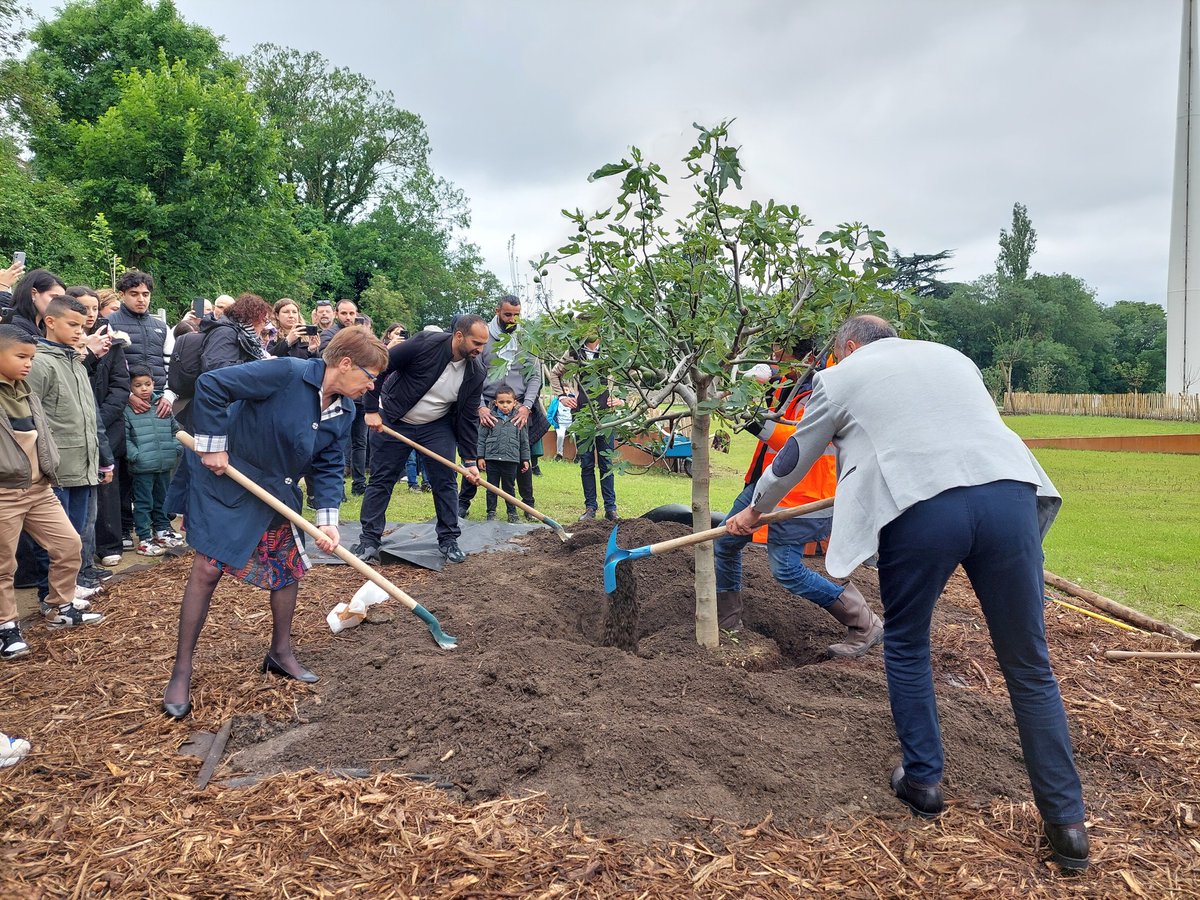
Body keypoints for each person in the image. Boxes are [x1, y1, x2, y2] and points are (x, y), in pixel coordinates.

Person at [725, 315, 1088, 872]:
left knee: (909, 644)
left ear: (848, 348)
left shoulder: (841, 376)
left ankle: (923, 782)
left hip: (923, 507)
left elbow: (796, 453)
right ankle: (1068, 827)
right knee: (1029, 664)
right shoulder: (953, 358)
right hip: (1009, 495)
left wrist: (756, 509)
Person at [160, 327, 387, 719]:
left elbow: (329, 464)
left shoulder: (344, 409)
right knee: (208, 568)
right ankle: (181, 670)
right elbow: (212, 384)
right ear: (345, 364)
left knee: (288, 567)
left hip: (276, 488)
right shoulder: (286, 372)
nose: (371, 388)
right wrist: (213, 445)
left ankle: (280, 653)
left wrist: (328, 520)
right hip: (226, 478)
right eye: (370, 377)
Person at [713, 339, 882, 657]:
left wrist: (752, 417)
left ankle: (864, 622)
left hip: (802, 494)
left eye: (779, 352)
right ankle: (727, 625)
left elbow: (795, 443)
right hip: (766, 484)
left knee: (787, 570)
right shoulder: (788, 384)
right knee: (725, 544)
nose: (773, 358)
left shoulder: (820, 390)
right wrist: (744, 389)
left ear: (803, 357)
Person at [1, 325, 103, 661]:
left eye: (31, 357)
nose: (29, 363)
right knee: (4, 564)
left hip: (40, 488)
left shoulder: (26, 391)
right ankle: (6, 627)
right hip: (5, 493)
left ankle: (60, 606)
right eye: (21, 357)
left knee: (68, 544)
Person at [355, 316, 487, 565]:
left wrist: (469, 459)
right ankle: (369, 540)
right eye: (476, 342)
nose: (480, 349)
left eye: (483, 344)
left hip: (436, 426)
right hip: (394, 418)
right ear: (459, 336)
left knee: (445, 480)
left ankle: (449, 540)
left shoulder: (476, 371)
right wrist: (371, 409)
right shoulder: (425, 343)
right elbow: (382, 366)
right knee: (382, 479)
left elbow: (468, 417)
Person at [23, 297, 113, 619]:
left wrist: (101, 456)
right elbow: (30, 416)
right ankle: (53, 599)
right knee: (56, 540)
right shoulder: (40, 363)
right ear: (50, 322)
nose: (80, 330)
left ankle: (68, 590)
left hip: (82, 462)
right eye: (72, 325)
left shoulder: (74, 360)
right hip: (57, 467)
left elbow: (87, 415)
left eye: (82, 324)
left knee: (75, 536)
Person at [458, 295, 546, 521]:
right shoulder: (484, 336)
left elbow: (535, 376)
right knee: (475, 454)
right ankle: (463, 503)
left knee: (521, 458)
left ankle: (527, 507)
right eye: (508, 314)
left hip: (520, 406)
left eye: (517, 315)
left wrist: (526, 407)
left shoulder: (527, 338)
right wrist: (480, 407)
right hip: (488, 405)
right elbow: (472, 373)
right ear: (497, 311)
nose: (512, 319)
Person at [106, 270, 171, 549]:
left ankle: (160, 525)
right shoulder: (110, 323)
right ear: (122, 294)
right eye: (134, 294)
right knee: (125, 467)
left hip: (157, 405)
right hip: (124, 406)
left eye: (145, 294)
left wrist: (167, 395)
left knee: (154, 465)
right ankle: (125, 528)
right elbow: (109, 369)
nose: (141, 299)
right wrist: (126, 396)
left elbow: (169, 365)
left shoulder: (161, 326)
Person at [69, 285, 128, 579]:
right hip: (78, 427)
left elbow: (120, 385)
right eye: (83, 308)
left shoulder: (112, 341)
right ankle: (81, 561)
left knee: (108, 484)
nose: (90, 314)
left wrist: (99, 419)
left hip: (107, 423)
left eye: (94, 308)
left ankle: (109, 545)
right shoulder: (70, 344)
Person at [550, 331, 625, 520]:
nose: (587, 331)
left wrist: (621, 398)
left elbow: (630, 373)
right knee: (586, 463)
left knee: (607, 463)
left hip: (607, 418)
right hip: (582, 418)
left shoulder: (611, 351)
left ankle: (611, 509)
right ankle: (590, 507)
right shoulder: (573, 353)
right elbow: (554, 374)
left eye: (591, 326)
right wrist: (562, 396)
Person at [124, 367, 183, 556]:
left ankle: (162, 530)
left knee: (163, 499)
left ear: (154, 384)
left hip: (165, 462)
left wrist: (176, 448)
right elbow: (124, 437)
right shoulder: (128, 410)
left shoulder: (162, 405)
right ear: (130, 388)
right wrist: (135, 455)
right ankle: (144, 537)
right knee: (143, 502)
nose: (144, 389)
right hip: (142, 466)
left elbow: (175, 430)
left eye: (147, 384)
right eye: (138, 385)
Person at [320, 299, 369, 494]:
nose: (348, 317)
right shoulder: (329, 334)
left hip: (361, 397)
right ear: (336, 314)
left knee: (360, 442)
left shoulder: (362, 335)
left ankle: (359, 484)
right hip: (339, 396)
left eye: (352, 314)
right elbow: (327, 358)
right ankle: (337, 486)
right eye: (344, 313)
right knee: (339, 442)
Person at [477, 386, 530, 523]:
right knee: (491, 487)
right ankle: (491, 513)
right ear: (495, 403)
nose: (505, 405)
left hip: (511, 459)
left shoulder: (519, 419)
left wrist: (525, 459)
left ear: (515, 403)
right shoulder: (489, 418)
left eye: (508, 402)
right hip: (492, 459)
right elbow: (481, 439)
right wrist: (480, 457)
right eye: (501, 402)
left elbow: (524, 441)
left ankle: (512, 513)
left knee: (509, 488)